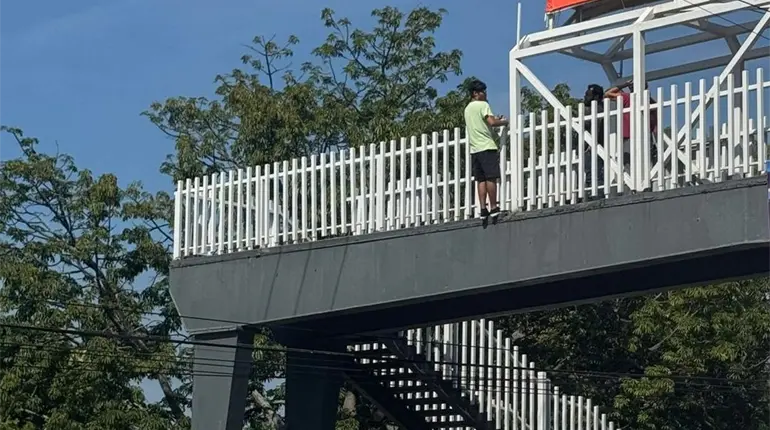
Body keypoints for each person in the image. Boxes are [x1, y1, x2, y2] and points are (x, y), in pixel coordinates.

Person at [464, 80, 509, 219]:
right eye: (482, 91)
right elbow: (492, 122)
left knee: (480, 180)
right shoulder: (483, 105)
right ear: (475, 93)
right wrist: (504, 122)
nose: (485, 93)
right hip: (487, 146)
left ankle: (483, 209)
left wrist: (494, 118)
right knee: (491, 178)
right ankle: (494, 207)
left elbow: (482, 122)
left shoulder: (467, 109)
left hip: (475, 149)